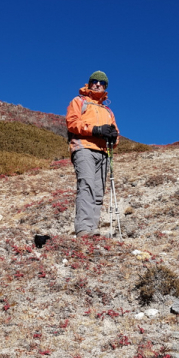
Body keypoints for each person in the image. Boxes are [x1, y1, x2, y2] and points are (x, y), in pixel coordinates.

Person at [66, 71, 119, 237]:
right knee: (86, 185)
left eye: (101, 82)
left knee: (98, 191)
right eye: (94, 81)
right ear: (89, 83)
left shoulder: (108, 111)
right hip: (84, 148)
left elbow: (116, 136)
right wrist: (95, 130)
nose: (97, 84)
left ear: (105, 87)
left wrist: (112, 136)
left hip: (103, 153)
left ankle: (92, 229)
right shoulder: (79, 101)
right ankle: (83, 229)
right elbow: (72, 123)